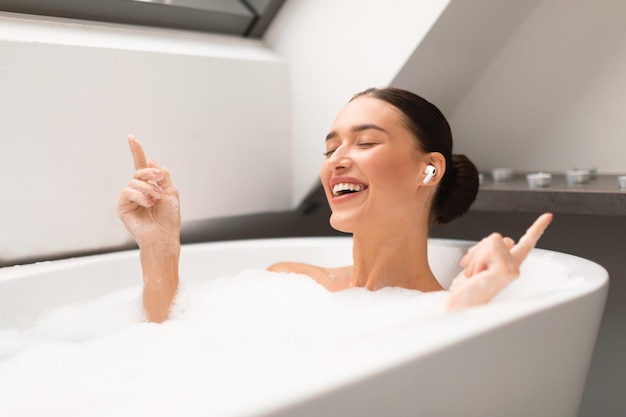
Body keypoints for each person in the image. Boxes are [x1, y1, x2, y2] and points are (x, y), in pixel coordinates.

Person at [117, 87, 552, 323]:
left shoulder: (440, 311)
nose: (338, 160)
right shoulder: (285, 281)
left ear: (429, 171)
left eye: (365, 142)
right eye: (330, 149)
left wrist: (467, 312)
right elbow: (163, 348)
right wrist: (160, 248)